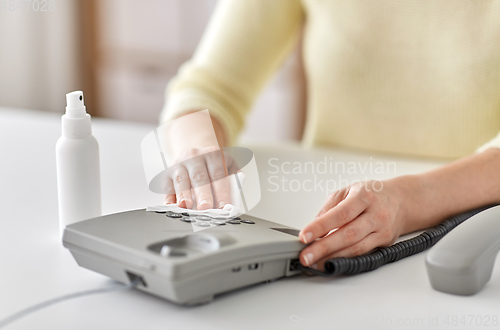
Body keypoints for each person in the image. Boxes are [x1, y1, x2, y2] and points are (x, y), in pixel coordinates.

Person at [159, 0, 500, 270]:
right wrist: (196, 151)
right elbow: (209, 85)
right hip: (325, 221)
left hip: (475, 228)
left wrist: (411, 200)